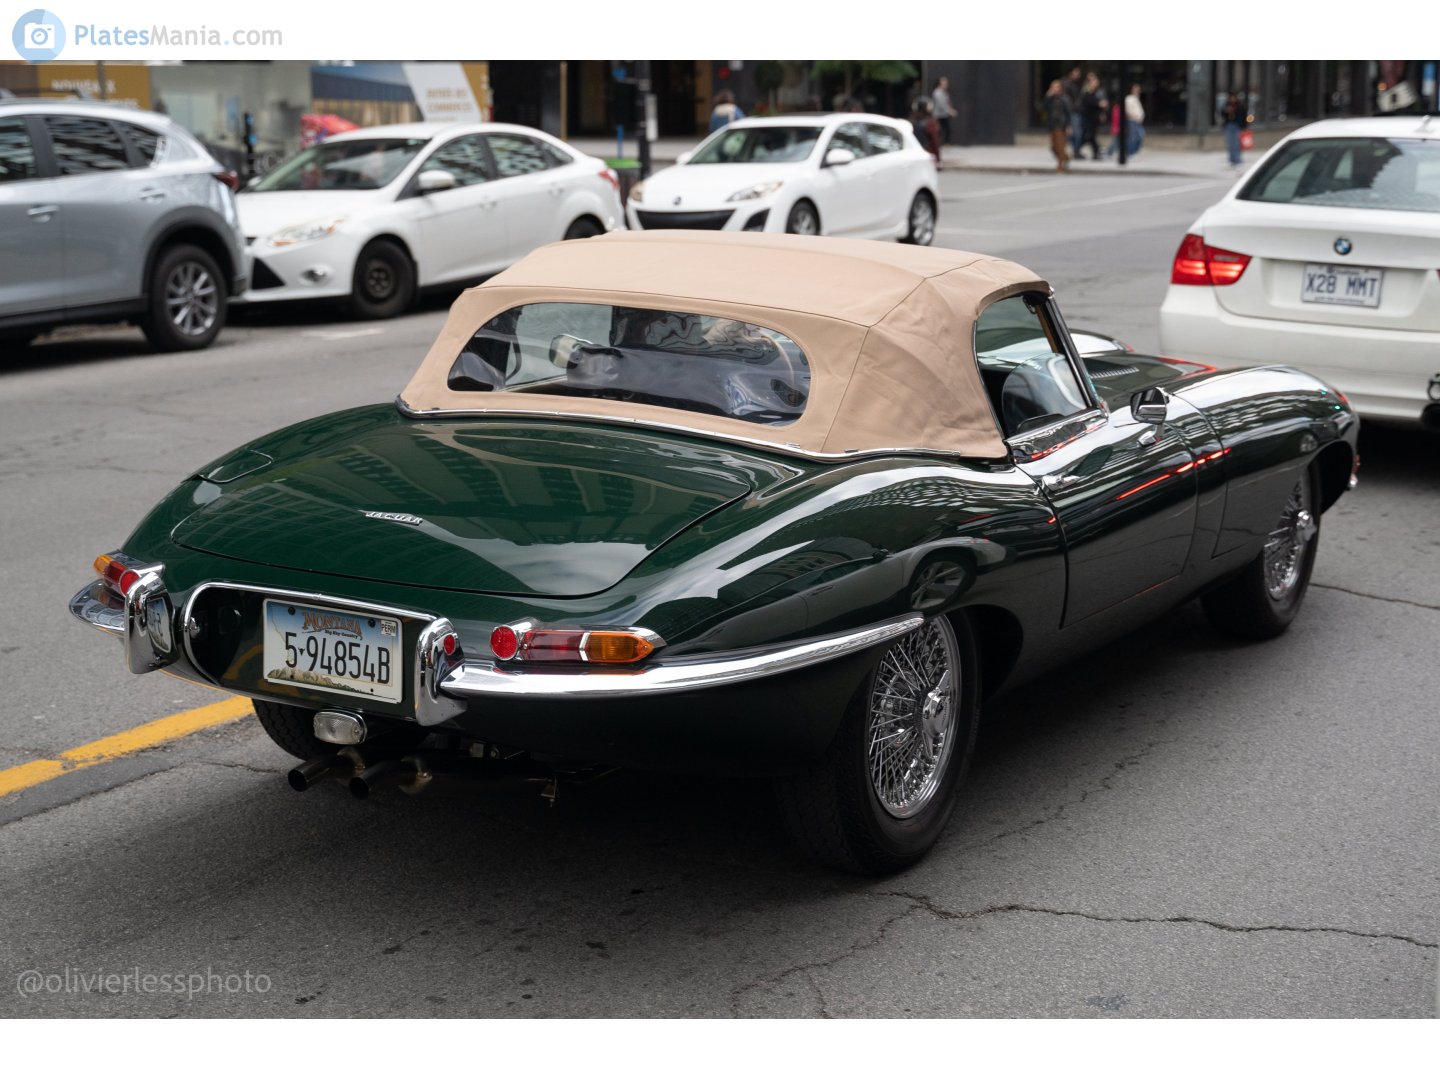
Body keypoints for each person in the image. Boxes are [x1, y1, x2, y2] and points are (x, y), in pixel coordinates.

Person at [1078, 71, 1106, 160]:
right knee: (1089, 136)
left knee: (1089, 136)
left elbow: (1101, 102)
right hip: (1088, 118)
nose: (1095, 82)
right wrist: (1099, 104)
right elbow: (1088, 103)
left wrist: (1102, 111)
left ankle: (1078, 150)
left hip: (1094, 117)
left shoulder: (1098, 91)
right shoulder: (1086, 91)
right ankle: (1096, 151)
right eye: (1093, 81)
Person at [1045, 79, 1071, 173]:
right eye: (1053, 87)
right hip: (1052, 125)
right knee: (1053, 147)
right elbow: (1044, 108)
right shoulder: (1050, 98)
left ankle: (1060, 167)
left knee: (1060, 147)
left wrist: (1068, 125)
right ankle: (1066, 158)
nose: (1054, 89)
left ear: (1060, 88)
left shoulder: (1064, 98)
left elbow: (1068, 113)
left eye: (1056, 87)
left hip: (1061, 125)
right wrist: (1048, 97)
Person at [1221, 92, 1247, 168]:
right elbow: (1222, 114)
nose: (1232, 99)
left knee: (1236, 144)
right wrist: (1226, 111)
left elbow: (1243, 115)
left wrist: (1243, 126)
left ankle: (1237, 160)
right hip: (1229, 125)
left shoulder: (1239, 106)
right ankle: (1231, 160)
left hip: (1237, 126)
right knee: (1230, 144)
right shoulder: (1226, 105)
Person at [1062, 66, 1084, 155]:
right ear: (1071, 73)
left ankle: (1076, 150)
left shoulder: (1077, 84)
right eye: (1076, 73)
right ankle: (1075, 150)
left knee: (1076, 132)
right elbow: (1066, 99)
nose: (1078, 75)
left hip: (1076, 111)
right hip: (1071, 111)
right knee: (1075, 133)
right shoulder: (1066, 84)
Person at [931, 76, 956, 147]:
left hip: (944, 114)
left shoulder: (944, 92)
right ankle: (937, 143)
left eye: (946, 83)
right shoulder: (937, 93)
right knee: (938, 130)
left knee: (946, 129)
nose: (946, 85)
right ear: (939, 84)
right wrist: (950, 111)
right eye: (943, 83)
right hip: (938, 115)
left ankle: (945, 143)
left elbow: (946, 102)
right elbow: (941, 104)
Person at [1124, 83, 1146, 157]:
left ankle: (1133, 151)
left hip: (1138, 121)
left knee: (1140, 135)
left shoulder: (1136, 98)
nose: (1138, 91)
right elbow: (1127, 109)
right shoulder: (1129, 98)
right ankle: (1130, 152)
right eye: (1136, 89)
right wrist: (1133, 115)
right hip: (1132, 120)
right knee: (1133, 137)